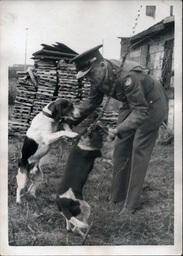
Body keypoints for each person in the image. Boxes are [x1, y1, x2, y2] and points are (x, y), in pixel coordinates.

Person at [70, 44, 168, 213]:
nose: (90, 80)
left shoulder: (128, 76)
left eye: (90, 74)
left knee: (139, 149)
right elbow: (92, 102)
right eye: (86, 77)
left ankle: (131, 205)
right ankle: (117, 197)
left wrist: (117, 129)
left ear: (101, 64)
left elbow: (141, 111)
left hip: (152, 103)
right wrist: (71, 118)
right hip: (131, 103)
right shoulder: (96, 75)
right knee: (121, 147)